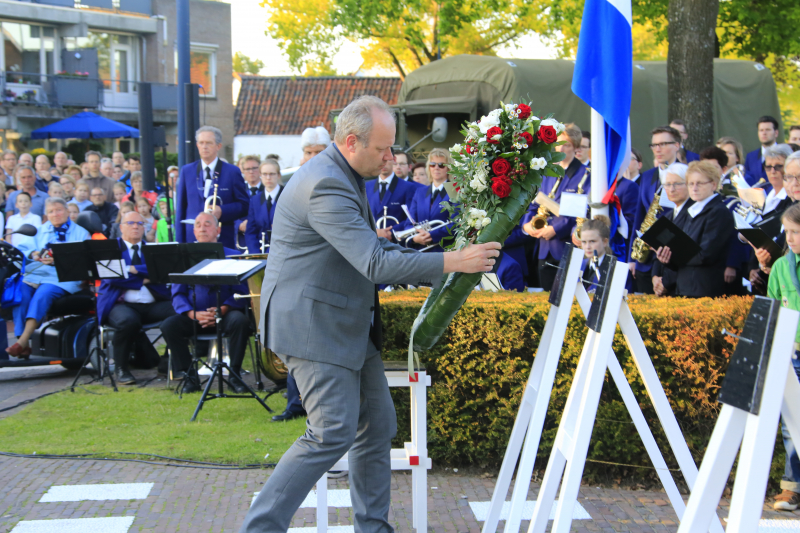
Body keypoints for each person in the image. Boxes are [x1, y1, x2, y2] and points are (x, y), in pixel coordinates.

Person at [240, 95, 499, 533]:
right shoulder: (325, 183)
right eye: (383, 149)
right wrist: (454, 263)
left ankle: (373, 528)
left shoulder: (340, 172)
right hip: (314, 327)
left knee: (377, 425)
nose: (390, 159)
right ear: (352, 140)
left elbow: (373, 249)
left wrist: (448, 257)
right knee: (330, 433)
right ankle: (260, 529)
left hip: (341, 323)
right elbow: (374, 264)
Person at [160, 212, 252, 392]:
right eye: (198, 224)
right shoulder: (183, 259)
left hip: (225, 314)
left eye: (208, 224)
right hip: (195, 316)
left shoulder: (234, 256)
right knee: (169, 326)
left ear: (218, 230)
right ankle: (189, 377)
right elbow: (177, 294)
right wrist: (193, 314)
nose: (202, 228)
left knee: (240, 322)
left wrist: (223, 309)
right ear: (194, 231)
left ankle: (234, 375)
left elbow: (241, 292)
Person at [5, 198, 90, 358]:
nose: (55, 214)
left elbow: (84, 259)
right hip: (36, 274)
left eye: (58, 210)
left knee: (42, 295)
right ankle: (23, 344)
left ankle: (22, 342)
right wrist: (34, 254)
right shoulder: (40, 230)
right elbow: (22, 249)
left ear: (67, 211)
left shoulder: (81, 233)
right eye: (51, 211)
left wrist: (58, 260)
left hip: (62, 277)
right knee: (20, 293)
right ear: (46, 214)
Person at [96, 211, 174, 384]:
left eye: (140, 224)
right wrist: (146, 277)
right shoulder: (110, 248)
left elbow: (163, 274)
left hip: (153, 303)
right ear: (121, 227)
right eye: (131, 223)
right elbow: (112, 277)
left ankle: (168, 360)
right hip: (121, 304)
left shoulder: (153, 249)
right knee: (127, 322)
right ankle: (121, 368)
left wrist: (133, 270)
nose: (136, 227)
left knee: (179, 312)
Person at [522, 123, 588, 291]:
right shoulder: (546, 173)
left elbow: (578, 212)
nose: (560, 149)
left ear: (576, 148)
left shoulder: (585, 174)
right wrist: (527, 223)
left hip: (567, 246)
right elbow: (534, 203)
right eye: (557, 144)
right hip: (544, 248)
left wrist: (555, 229)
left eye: (566, 145)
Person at [655, 161, 734, 297]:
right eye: (691, 184)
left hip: (704, 290)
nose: (694, 188)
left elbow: (705, 255)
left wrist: (674, 254)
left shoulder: (718, 212)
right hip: (684, 288)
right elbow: (687, 255)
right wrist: (667, 259)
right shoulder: (692, 211)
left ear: (713, 185)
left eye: (700, 183)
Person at [767, 202, 800, 511]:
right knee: (792, 423)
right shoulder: (780, 267)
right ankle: (791, 487)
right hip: (793, 353)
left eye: (795, 232)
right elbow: (774, 307)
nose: (789, 238)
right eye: (787, 231)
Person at [175, 126, 249, 248]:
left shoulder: (232, 172)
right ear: (197, 145)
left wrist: (222, 210)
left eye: (209, 143)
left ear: (218, 146)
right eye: (201, 143)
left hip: (222, 238)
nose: (204, 147)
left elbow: (244, 205)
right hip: (191, 238)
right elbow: (181, 210)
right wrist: (179, 243)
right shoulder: (186, 171)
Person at [630, 125, 682, 294]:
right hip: (645, 260)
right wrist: (633, 258)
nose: (657, 149)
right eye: (654, 145)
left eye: (663, 144)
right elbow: (640, 215)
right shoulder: (647, 175)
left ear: (677, 145)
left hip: (672, 258)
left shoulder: (687, 174)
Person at [395, 148, 456, 252]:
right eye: (433, 164)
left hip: (443, 251)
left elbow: (456, 224)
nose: (436, 168)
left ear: (449, 168)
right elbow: (410, 222)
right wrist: (415, 238)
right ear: (429, 167)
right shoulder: (420, 192)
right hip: (420, 251)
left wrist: (431, 235)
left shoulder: (454, 190)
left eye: (441, 165)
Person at [650, 164, 693, 297]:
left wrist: (666, 283)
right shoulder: (668, 216)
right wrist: (655, 277)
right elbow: (659, 249)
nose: (671, 189)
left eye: (677, 184)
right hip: (665, 286)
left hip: (682, 287)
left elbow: (685, 255)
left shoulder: (693, 214)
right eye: (667, 185)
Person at [366, 156, 418, 242]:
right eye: (378, 159)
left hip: (397, 242)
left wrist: (390, 232)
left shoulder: (409, 187)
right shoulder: (366, 186)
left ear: (394, 160)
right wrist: (375, 231)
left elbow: (411, 218)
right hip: (371, 241)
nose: (382, 164)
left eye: (386, 160)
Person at [245, 159, 283, 254]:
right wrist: (256, 254)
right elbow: (251, 231)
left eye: (272, 174)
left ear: (278, 175)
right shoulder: (255, 200)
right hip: (260, 253)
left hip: (281, 252)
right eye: (265, 174)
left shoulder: (288, 196)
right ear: (260, 175)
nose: (268, 177)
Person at [579, 216, 614, 293]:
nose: (587, 247)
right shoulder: (579, 265)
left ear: (605, 242)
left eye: (592, 241)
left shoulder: (615, 269)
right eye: (584, 242)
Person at [744, 116, 780, 186]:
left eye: (768, 130)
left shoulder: (784, 154)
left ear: (776, 133)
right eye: (761, 130)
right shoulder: (751, 157)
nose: (764, 133)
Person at [237, 155, 263, 248]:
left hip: (261, 240)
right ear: (242, 171)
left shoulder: (268, 190)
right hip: (242, 241)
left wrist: (251, 222)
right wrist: (239, 225)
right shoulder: (238, 190)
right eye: (247, 169)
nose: (251, 172)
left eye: (254, 168)